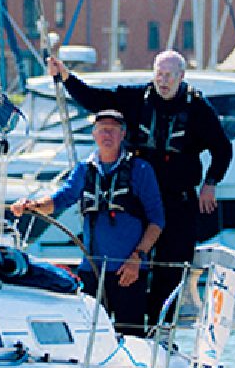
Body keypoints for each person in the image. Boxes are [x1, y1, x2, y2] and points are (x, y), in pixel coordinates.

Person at [47, 48, 232, 328]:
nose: (163, 81)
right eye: (159, 74)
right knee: (129, 263)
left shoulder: (197, 108)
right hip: (138, 198)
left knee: (170, 269)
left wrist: (211, 182)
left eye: (169, 75)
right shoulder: (136, 98)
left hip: (177, 200)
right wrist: (66, 77)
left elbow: (223, 149)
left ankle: (160, 331)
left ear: (181, 76)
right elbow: (95, 100)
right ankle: (122, 326)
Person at [12, 110, 164, 335]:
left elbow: (157, 220)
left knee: (131, 336)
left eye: (112, 130)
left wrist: (137, 258)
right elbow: (60, 199)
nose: (107, 135)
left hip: (128, 272)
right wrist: (31, 205)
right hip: (92, 271)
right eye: (102, 130)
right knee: (89, 335)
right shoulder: (84, 169)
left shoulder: (140, 169)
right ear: (94, 134)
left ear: (122, 134)